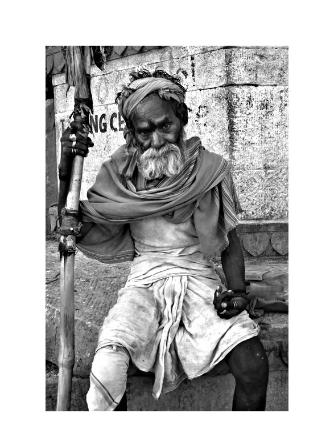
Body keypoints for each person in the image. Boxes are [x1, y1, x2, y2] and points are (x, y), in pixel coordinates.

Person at [59, 68, 269, 411]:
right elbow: (76, 217)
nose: (156, 140)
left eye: (165, 126)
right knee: (107, 366)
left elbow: (230, 238)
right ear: (131, 133)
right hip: (143, 283)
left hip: (199, 279)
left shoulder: (210, 169)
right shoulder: (119, 173)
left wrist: (239, 293)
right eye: (144, 132)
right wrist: (67, 158)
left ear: (182, 118)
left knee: (253, 364)